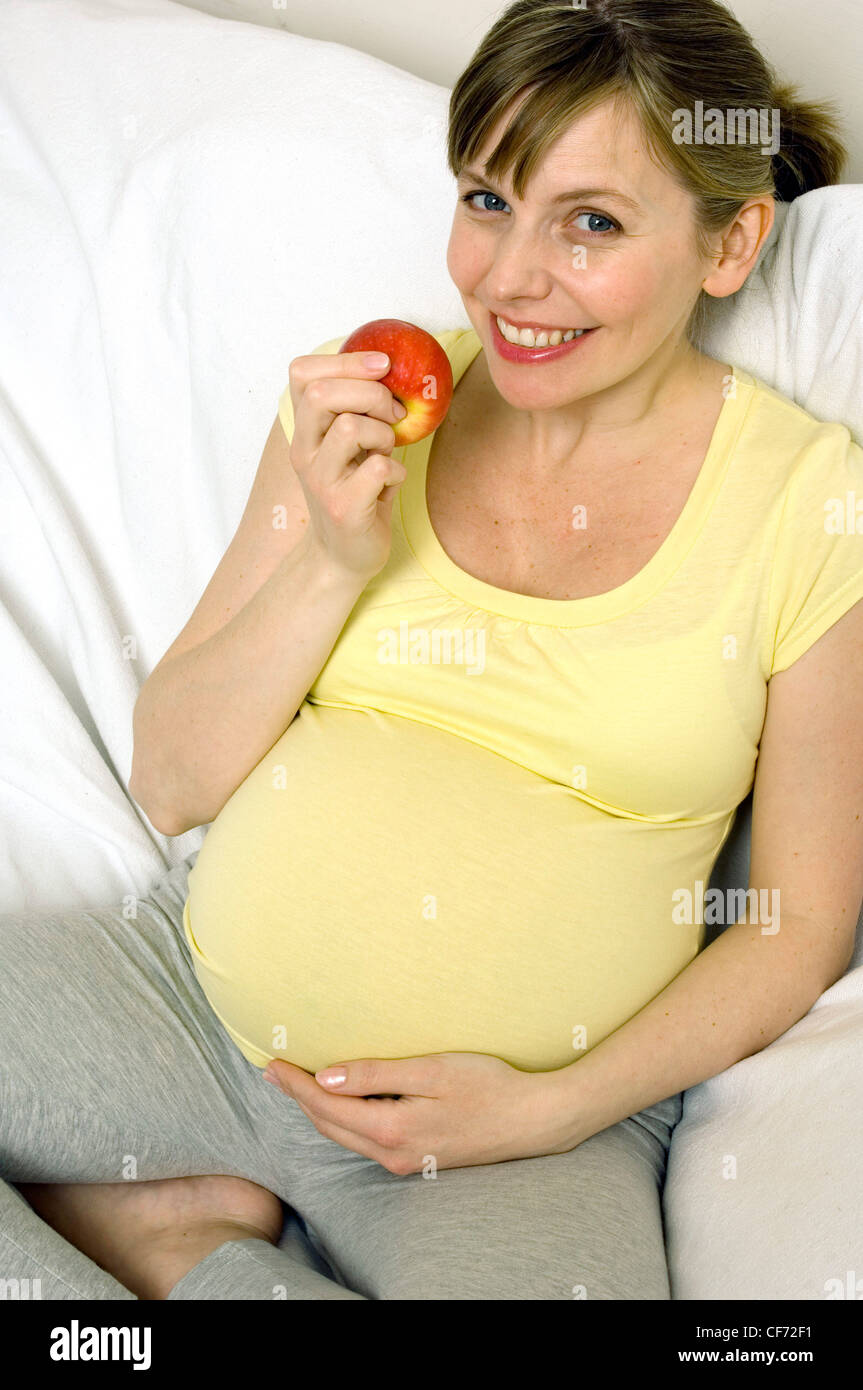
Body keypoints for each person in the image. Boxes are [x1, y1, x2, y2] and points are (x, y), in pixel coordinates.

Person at [2, 0, 862, 1301]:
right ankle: (188, 1234)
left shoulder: (809, 508)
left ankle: (177, 1246)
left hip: (513, 1138)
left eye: (592, 222)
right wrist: (332, 562)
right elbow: (171, 778)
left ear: (732, 241)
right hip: (195, 1010)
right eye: (487, 198)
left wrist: (549, 1105)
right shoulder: (368, 411)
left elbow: (793, 929)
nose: (511, 276)